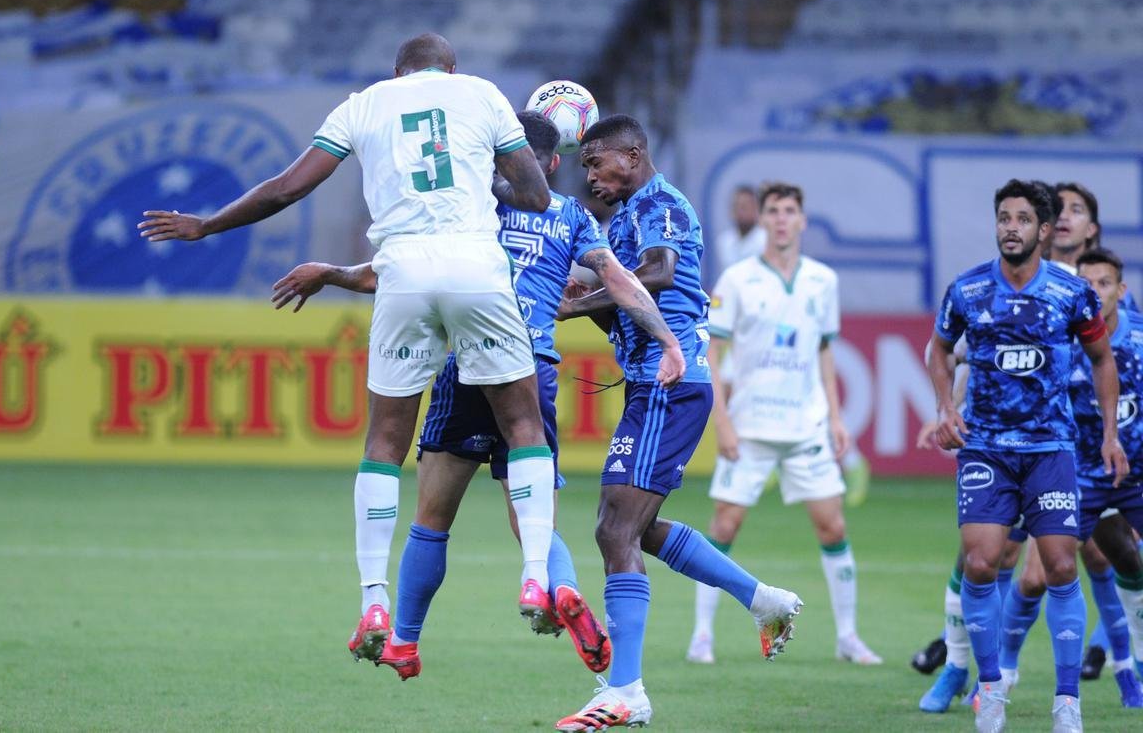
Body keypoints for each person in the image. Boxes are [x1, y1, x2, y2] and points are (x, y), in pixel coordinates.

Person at [138, 33, 559, 666]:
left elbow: (286, 187)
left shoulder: (363, 105)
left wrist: (206, 225)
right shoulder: (483, 95)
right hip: (477, 267)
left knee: (386, 443)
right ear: (452, 68)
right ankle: (535, 576)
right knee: (523, 424)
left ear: (396, 72)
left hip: (402, 273)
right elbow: (535, 195)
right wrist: (476, 182)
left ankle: (372, 599)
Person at [270, 110, 685, 680]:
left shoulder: (474, 211)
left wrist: (329, 273)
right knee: (531, 516)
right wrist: (666, 339)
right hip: (530, 367)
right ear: (555, 164)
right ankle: (554, 583)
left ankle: (405, 641)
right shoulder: (571, 217)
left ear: (497, 159)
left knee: (432, 518)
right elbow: (620, 280)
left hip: (469, 363)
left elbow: (393, 273)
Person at [553, 115, 802, 731]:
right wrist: (580, 300)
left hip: (673, 380)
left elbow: (659, 275)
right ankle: (763, 599)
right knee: (635, 526)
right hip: (652, 385)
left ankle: (627, 690)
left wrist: (580, 301)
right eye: (583, 166)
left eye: (596, 162)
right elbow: (626, 307)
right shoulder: (626, 216)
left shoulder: (661, 204)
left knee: (616, 532)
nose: (591, 175)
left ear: (633, 156)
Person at [928, 178, 1128, 733]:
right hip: (986, 448)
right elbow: (940, 348)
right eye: (1003, 218)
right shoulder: (968, 291)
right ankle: (989, 687)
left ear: (1042, 231)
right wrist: (946, 407)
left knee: (1063, 565)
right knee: (980, 562)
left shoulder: (1070, 292)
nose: (1009, 228)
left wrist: (1109, 435)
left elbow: (1102, 359)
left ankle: (1068, 702)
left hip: (1051, 448)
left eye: (1021, 219)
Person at [684, 181, 882, 668]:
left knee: (832, 525)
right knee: (724, 525)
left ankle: (849, 637)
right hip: (750, 426)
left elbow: (824, 352)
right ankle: (702, 635)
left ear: (802, 220)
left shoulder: (822, 281)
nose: (780, 219)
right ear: (765, 220)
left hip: (807, 426)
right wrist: (722, 424)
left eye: (789, 210)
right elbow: (713, 352)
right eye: (773, 210)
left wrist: (837, 418)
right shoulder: (737, 279)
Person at [715, 184, 766, 270]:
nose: (740, 211)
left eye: (744, 207)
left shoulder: (766, 240)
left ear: (756, 209)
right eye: (736, 206)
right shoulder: (724, 241)